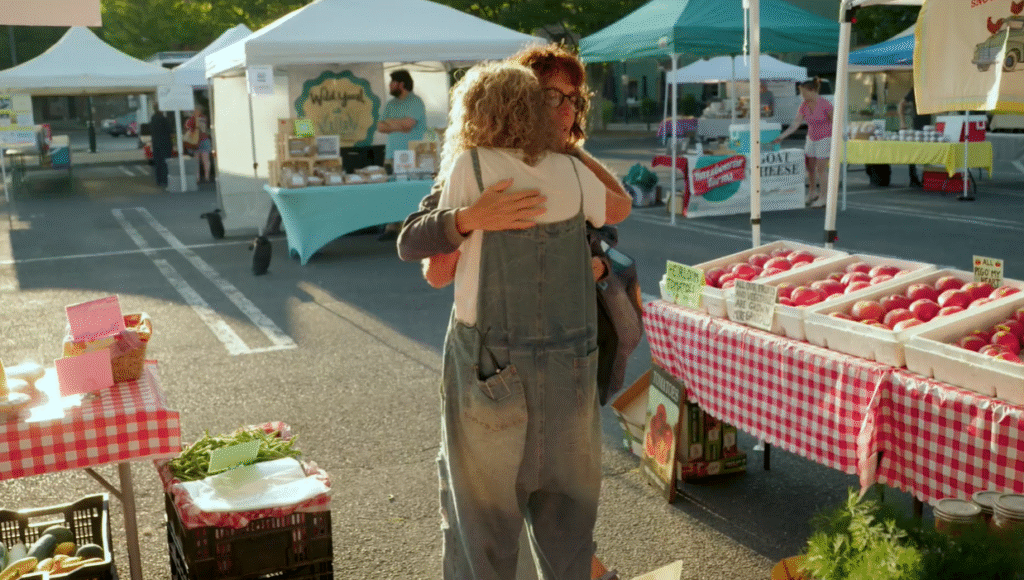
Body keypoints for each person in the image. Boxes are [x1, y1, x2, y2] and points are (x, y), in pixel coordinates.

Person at [423, 60, 629, 580]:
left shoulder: (470, 167)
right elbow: (620, 207)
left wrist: (467, 223)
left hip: (493, 371)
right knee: (568, 529)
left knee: (483, 530)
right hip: (571, 375)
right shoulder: (574, 173)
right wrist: (571, 151)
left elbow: (436, 274)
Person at [396, 43, 632, 283]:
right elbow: (430, 265)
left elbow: (612, 220)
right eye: (553, 97)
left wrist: (601, 264)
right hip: (496, 314)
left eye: (573, 100)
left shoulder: (570, 166)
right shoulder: (472, 167)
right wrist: (469, 219)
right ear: (519, 103)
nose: (568, 112)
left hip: (563, 309)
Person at [376, 70, 428, 241]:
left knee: (408, 189)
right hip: (391, 154)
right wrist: (398, 124)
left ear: (402, 84)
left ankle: (410, 225)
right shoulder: (391, 104)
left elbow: (409, 124)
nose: (390, 86)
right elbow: (380, 127)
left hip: (410, 154)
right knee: (390, 188)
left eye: (393, 83)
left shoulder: (416, 102)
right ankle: (391, 226)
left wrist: (391, 122)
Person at [771, 78, 833, 207]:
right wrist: (781, 136)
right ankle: (812, 193)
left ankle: (824, 197)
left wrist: (838, 137)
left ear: (812, 91)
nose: (801, 96)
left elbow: (835, 121)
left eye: (803, 93)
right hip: (811, 138)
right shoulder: (804, 105)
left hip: (825, 138)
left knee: (821, 169)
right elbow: (795, 124)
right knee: (810, 168)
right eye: (800, 93)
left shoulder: (825, 104)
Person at [899, 84, 929, 187]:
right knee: (914, 151)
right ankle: (913, 176)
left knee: (928, 152)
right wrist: (902, 122)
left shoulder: (932, 89)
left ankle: (926, 176)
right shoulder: (916, 88)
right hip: (917, 124)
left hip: (930, 125)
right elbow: (901, 104)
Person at [185, 106, 213, 184]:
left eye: (195, 110)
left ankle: (199, 178)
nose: (195, 111)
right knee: (205, 160)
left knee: (198, 160)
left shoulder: (193, 119)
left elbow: (189, 128)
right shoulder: (203, 118)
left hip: (197, 141)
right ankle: (206, 177)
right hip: (203, 140)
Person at [149, 108, 172, 188]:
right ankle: (165, 180)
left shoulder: (153, 119)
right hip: (165, 143)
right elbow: (169, 130)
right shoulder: (164, 119)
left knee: (158, 162)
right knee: (165, 162)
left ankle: (159, 180)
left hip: (156, 143)